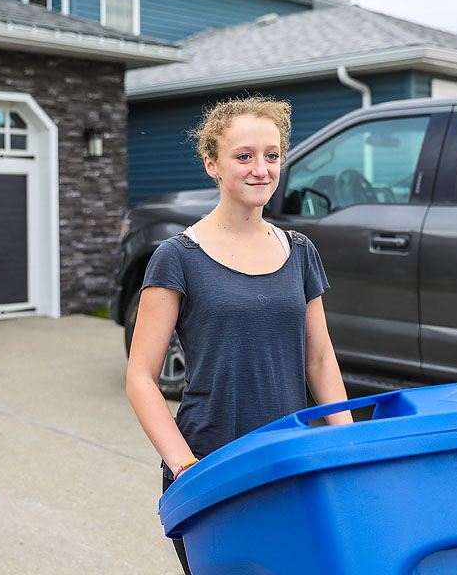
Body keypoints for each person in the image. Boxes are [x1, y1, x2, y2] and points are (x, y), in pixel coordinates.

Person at [125, 95, 353, 574]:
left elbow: (320, 359)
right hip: (212, 462)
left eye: (272, 155)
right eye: (243, 156)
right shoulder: (177, 256)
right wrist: (186, 467)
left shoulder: (300, 250)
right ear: (212, 163)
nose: (261, 169)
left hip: (288, 459)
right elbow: (142, 377)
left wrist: (347, 445)